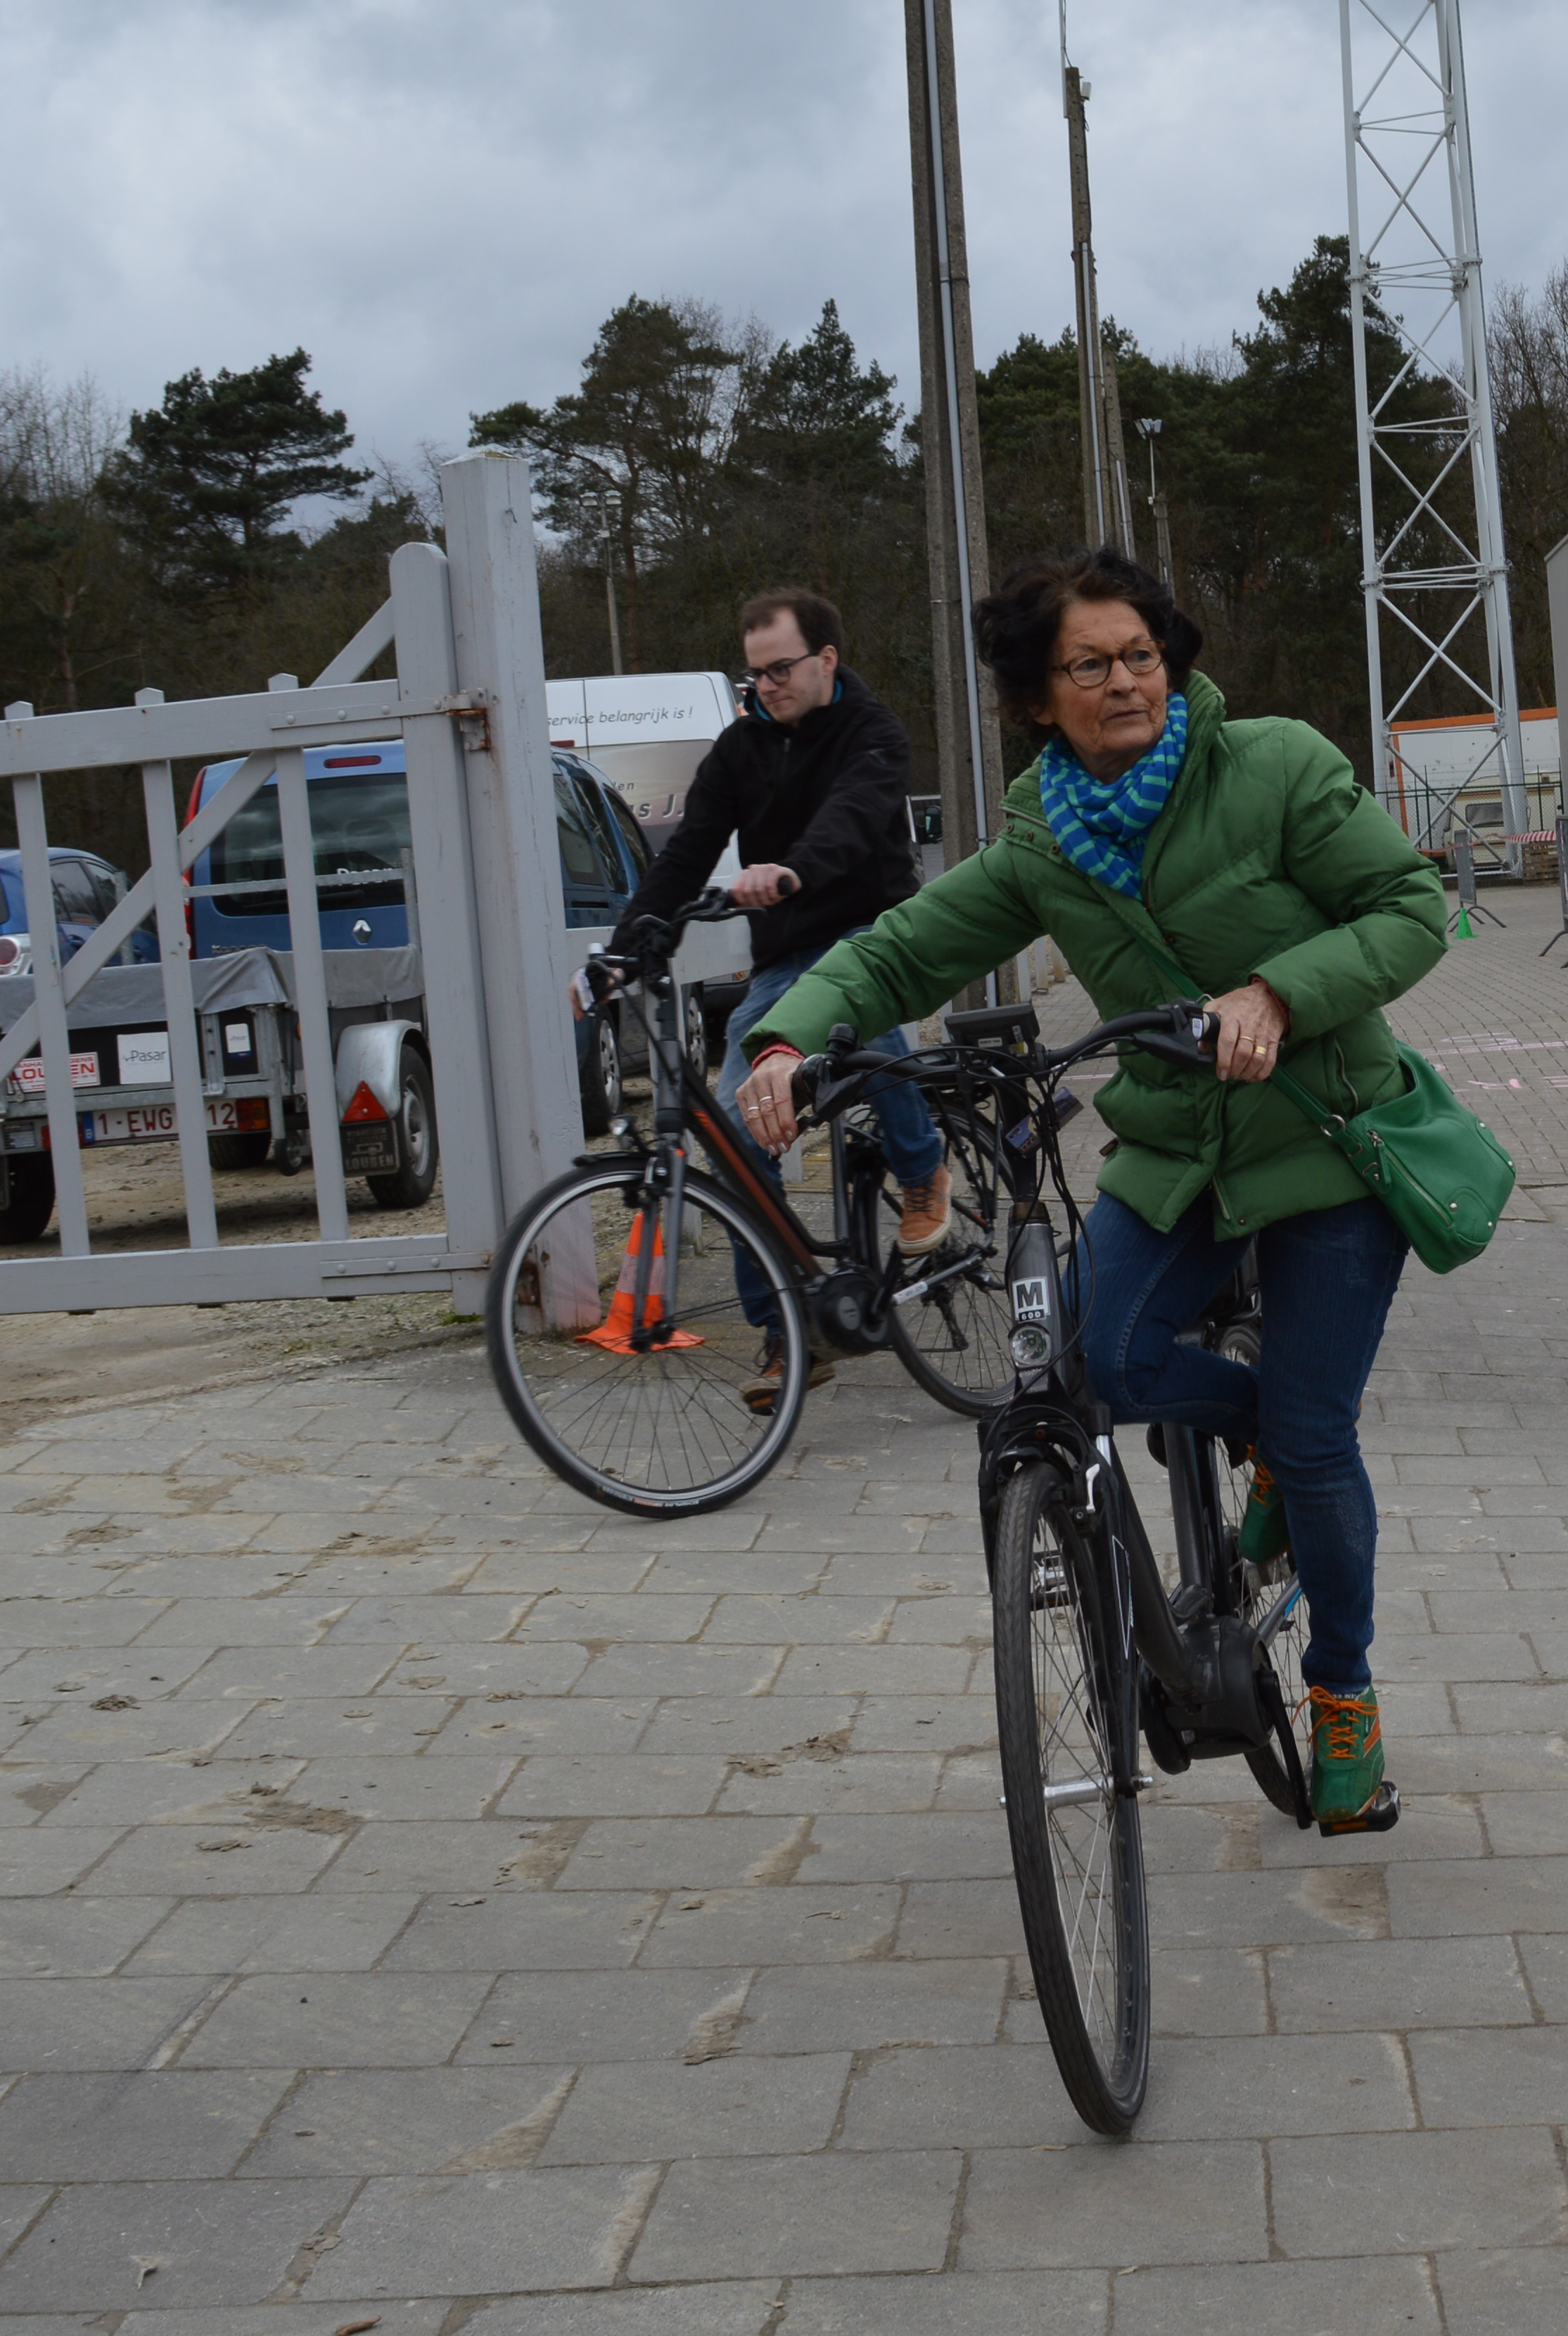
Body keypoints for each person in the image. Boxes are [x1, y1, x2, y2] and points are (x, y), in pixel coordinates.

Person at [735, 547, 1445, 1830]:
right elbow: (906, 945)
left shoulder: (1273, 764)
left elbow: (1407, 907)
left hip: (1333, 1135)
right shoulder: (1045, 835)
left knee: (1319, 1432)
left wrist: (1281, 991)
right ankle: (1260, 1432)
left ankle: (1342, 1692)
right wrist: (793, 1035)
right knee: (1090, 1368)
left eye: (1141, 658)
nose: (1124, 682)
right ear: (1036, 696)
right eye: (1089, 666)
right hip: (1179, 1149)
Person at [615, 586, 948, 1412]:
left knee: (859, 1022)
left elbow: (853, 816)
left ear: (826, 660)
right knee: (736, 1131)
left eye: (780, 669)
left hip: (872, 934)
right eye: (754, 673)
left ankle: (922, 1168)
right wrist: (628, 946)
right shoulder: (737, 750)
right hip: (783, 954)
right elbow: (688, 849)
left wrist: (791, 868)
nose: (765, 686)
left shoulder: (874, 733)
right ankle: (783, 1327)